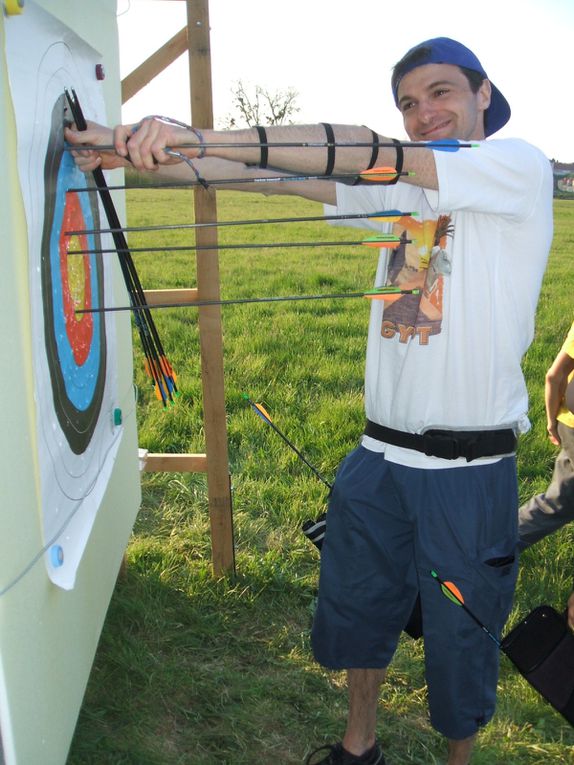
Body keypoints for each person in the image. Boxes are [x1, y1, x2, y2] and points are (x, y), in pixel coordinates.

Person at [66, 37, 553, 765]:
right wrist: (132, 149)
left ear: (484, 95)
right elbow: (269, 176)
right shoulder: (403, 194)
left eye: (442, 93)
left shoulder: (515, 166)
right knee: (361, 609)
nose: (424, 113)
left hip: (469, 470)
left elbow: (358, 147)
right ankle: (359, 747)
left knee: (463, 635)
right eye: (409, 104)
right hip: (378, 457)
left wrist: (194, 131)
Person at [517, 321, 574, 627]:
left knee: (559, 502)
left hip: (571, 425)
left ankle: (495, 548)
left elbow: (555, 375)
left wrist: (552, 420)